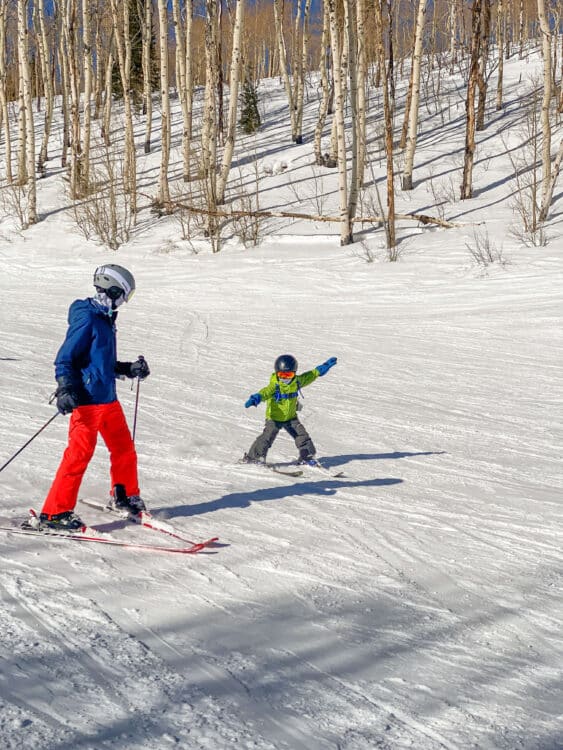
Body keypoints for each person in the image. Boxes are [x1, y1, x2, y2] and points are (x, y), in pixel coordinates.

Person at [35, 264, 150, 531]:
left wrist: (128, 369)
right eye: (124, 294)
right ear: (112, 289)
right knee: (78, 456)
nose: (125, 300)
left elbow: (100, 362)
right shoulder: (87, 318)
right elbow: (65, 359)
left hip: (108, 399)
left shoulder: (106, 317)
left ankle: (125, 494)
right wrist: (65, 388)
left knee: (124, 449)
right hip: (87, 402)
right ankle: (55, 513)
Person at [242, 354, 337, 465]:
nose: (285, 378)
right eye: (282, 375)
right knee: (266, 438)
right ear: (277, 373)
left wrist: (323, 367)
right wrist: (256, 398)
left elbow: (311, 375)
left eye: (289, 374)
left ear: (294, 373)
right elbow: (265, 392)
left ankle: (307, 456)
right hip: (274, 418)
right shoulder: (275, 386)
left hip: (291, 418)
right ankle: (253, 457)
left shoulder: (297, 382)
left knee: (302, 436)